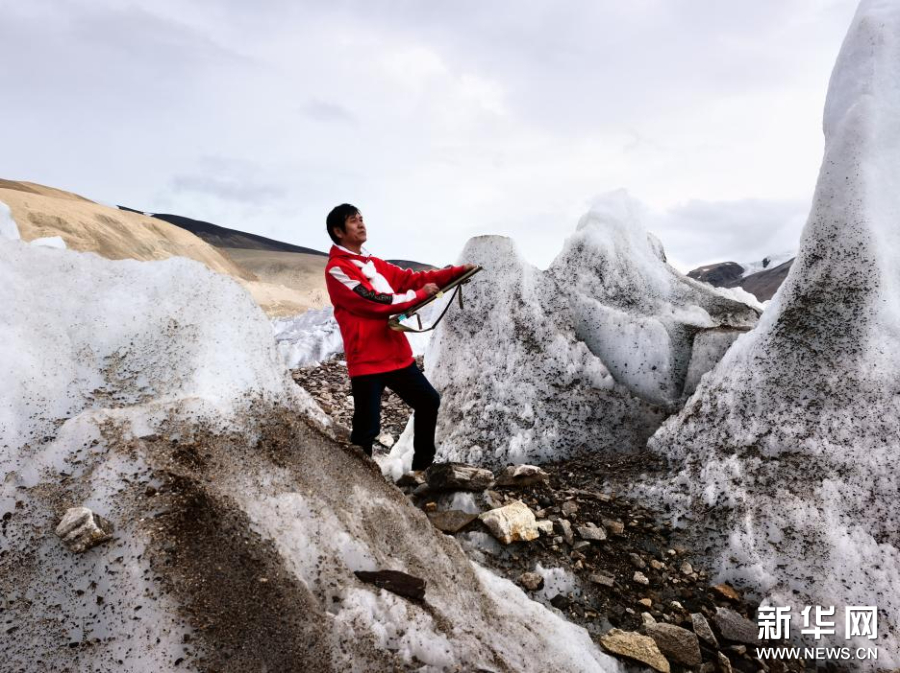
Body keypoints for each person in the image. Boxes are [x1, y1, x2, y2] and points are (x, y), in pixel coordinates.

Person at [324, 203, 475, 471]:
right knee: (367, 429)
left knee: (428, 400)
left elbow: (410, 280)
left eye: (361, 219)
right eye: (353, 221)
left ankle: (421, 469)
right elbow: (372, 301)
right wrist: (420, 296)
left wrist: (454, 273)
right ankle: (360, 483)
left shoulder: (372, 264)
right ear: (338, 231)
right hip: (367, 360)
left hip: (395, 354)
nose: (361, 224)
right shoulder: (337, 268)